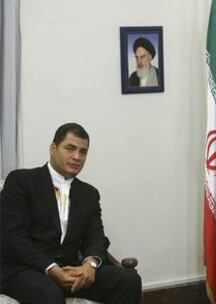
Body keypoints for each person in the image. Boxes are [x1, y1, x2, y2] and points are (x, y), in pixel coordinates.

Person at [0, 123, 142, 304]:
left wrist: (90, 265)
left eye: (83, 152)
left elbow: (96, 237)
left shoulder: (89, 193)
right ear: (53, 148)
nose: (77, 157)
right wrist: (51, 268)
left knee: (128, 280)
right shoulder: (22, 181)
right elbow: (13, 238)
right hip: (26, 269)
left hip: (71, 269)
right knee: (49, 294)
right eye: (70, 148)